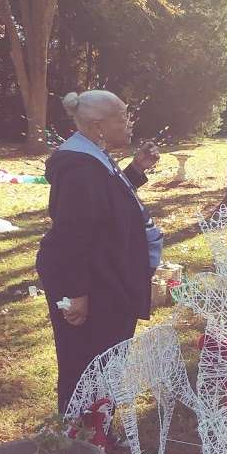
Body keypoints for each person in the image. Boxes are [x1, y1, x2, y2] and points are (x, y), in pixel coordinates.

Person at [37, 90, 162, 416]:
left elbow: (106, 205)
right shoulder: (80, 168)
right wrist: (77, 293)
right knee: (86, 363)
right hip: (93, 284)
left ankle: (96, 432)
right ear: (98, 126)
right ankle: (80, 440)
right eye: (121, 117)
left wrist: (134, 171)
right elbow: (73, 235)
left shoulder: (94, 156)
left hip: (107, 278)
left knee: (105, 363)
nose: (129, 123)